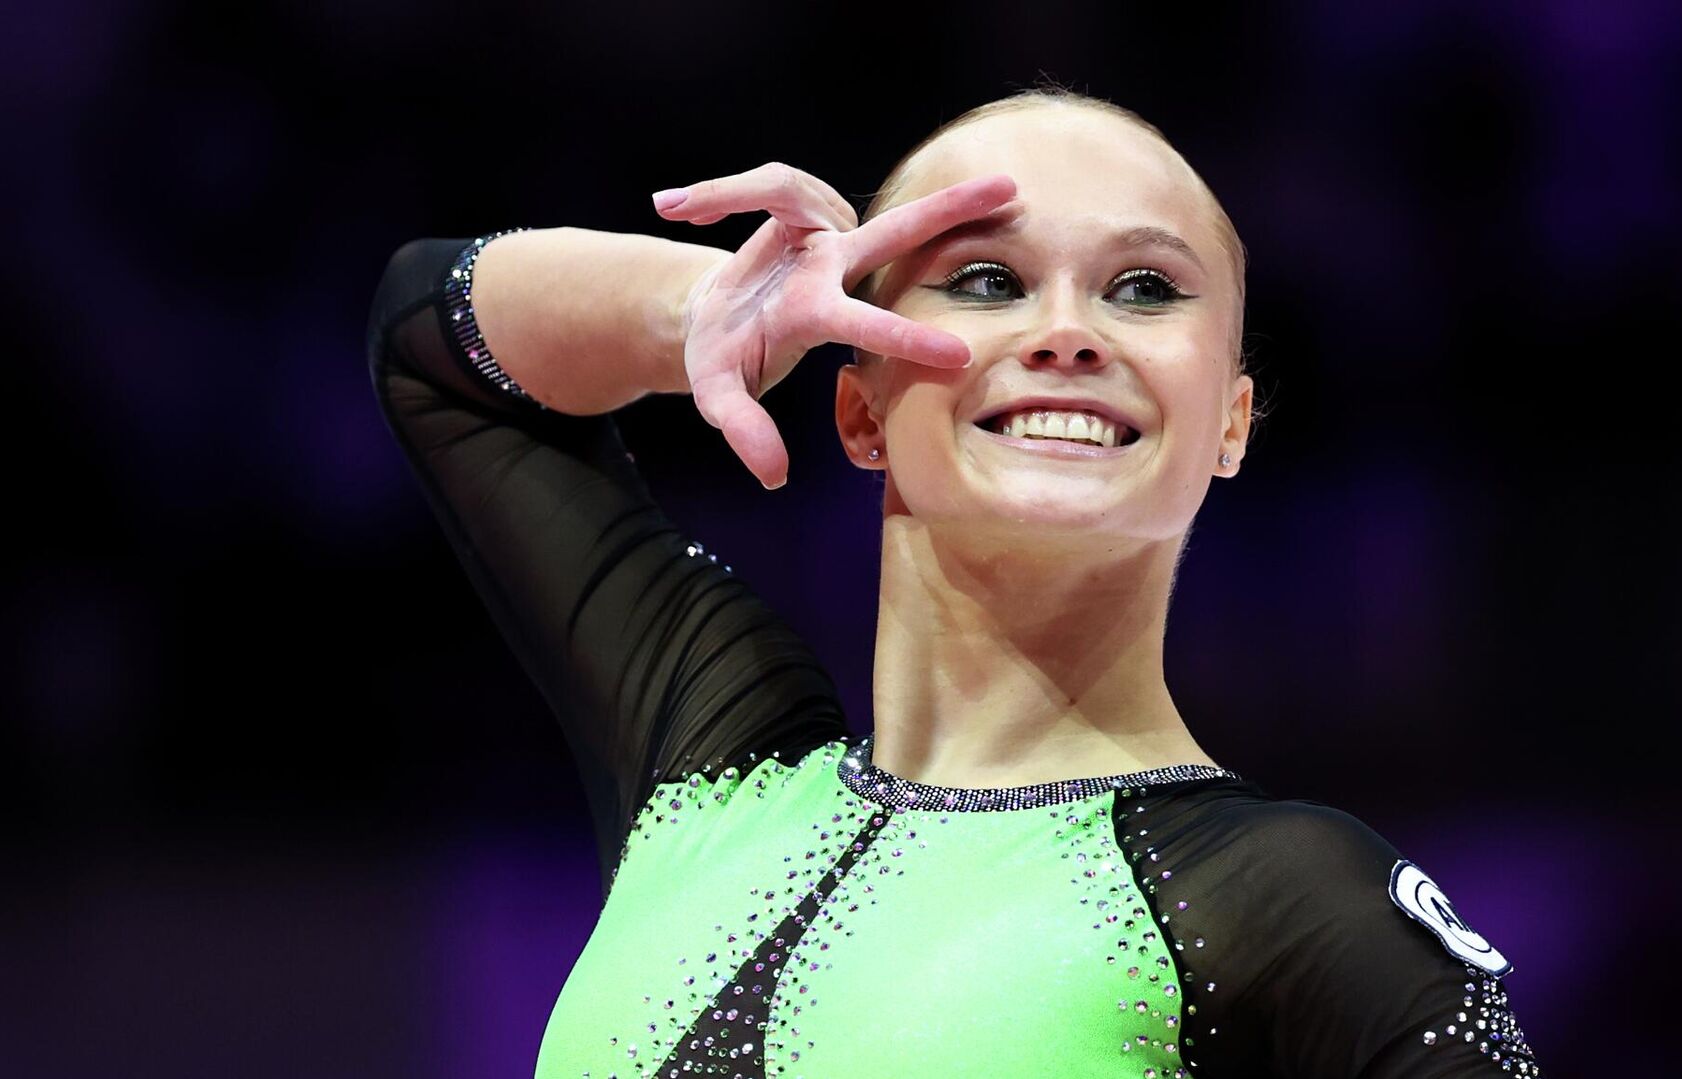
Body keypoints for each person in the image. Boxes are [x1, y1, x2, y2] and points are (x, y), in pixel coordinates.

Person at [365, 86, 1543, 1078]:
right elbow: (436, 351)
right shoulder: (711, 771)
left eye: (1144, 287)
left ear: (1231, 422)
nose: (1068, 332)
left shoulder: (1282, 901)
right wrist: (698, 311)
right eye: (985, 278)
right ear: (860, 407)